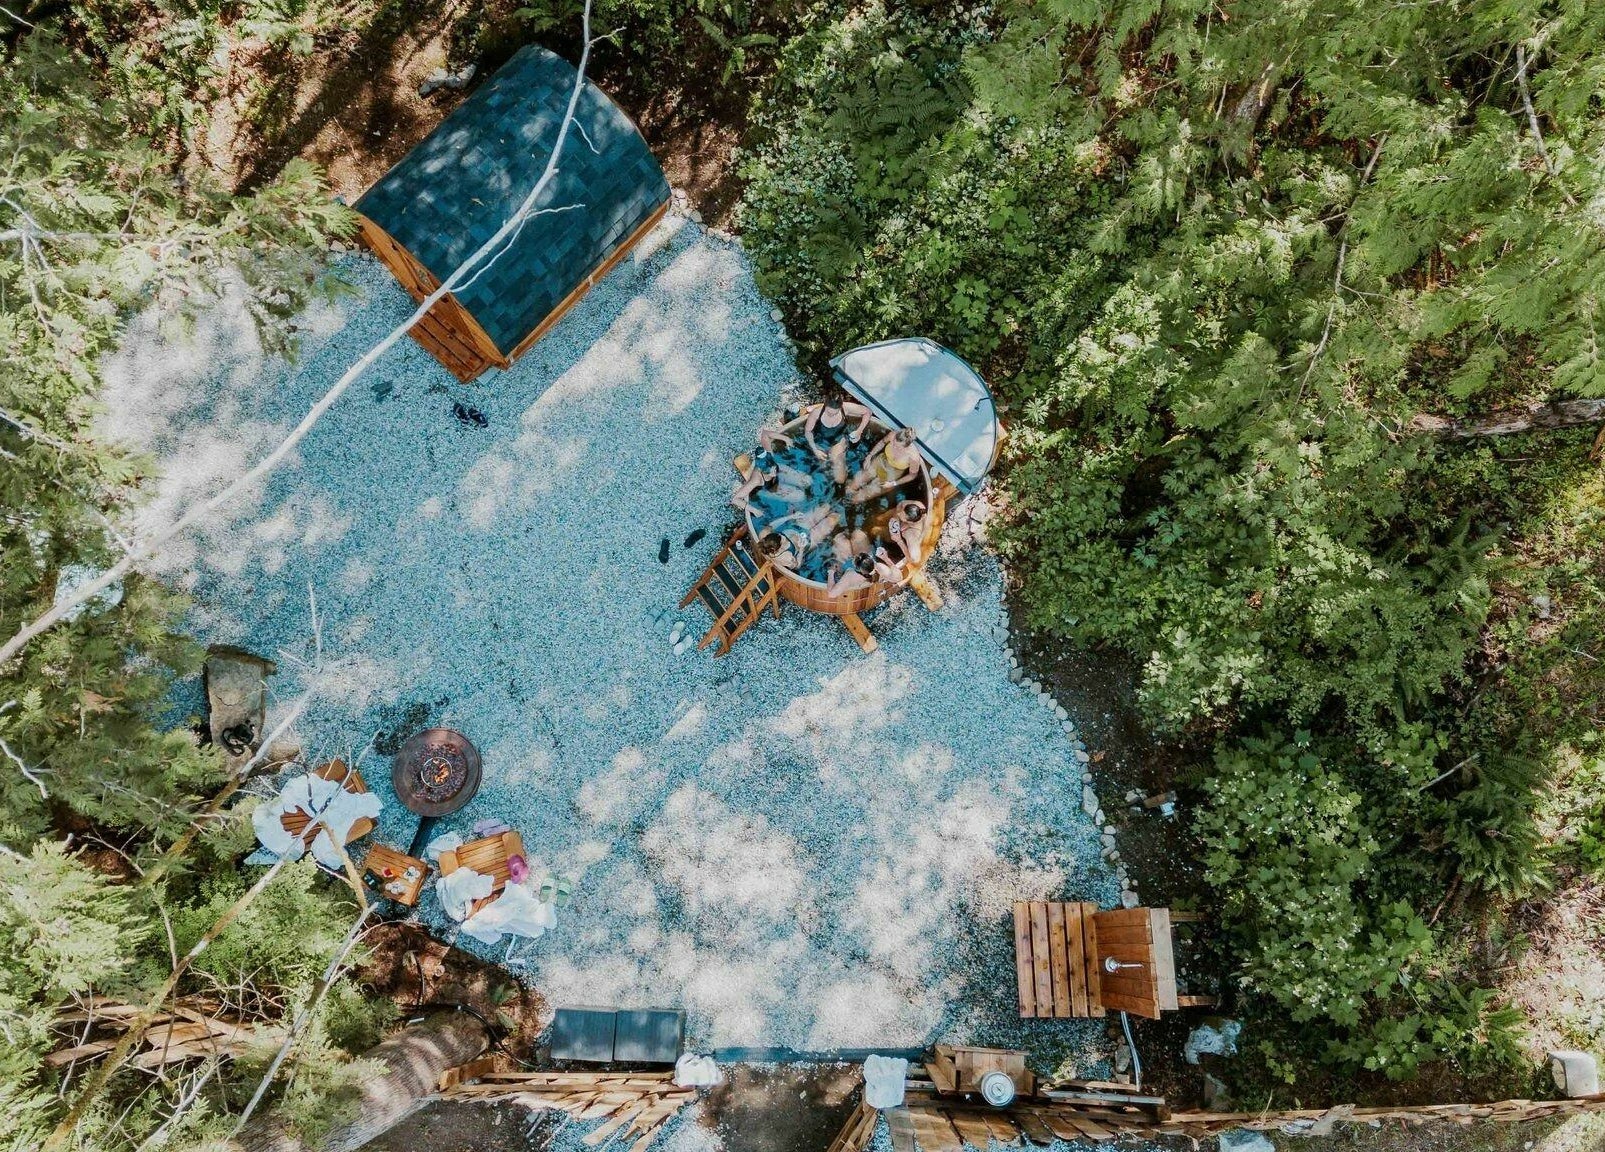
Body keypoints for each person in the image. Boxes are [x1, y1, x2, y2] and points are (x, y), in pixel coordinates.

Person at [804, 391, 872, 485]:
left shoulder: (846, 407)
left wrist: (859, 431)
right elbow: (807, 432)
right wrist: (815, 449)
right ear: (825, 405)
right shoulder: (816, 413)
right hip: (821, 441)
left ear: (840, 407)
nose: (831, 415)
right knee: (821, 473)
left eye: (835, 413)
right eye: (828, 412)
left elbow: (868, 412)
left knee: (840, 479)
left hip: (838, 440)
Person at [848, 426, 921, 504]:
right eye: (893, 443)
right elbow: (882, 442)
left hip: (894, 472)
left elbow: (912, 475)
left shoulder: (913, 456)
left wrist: (893, 483)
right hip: (882, 460)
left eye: (898, 447)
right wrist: (869, 456)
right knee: (851, 486)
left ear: (907, 446)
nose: (894, 447)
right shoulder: (892, 435)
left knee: (858, 498)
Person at [731, 450, 806, 513]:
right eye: (770, 472)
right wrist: (754, 510)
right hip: (766, 488)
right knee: (798, 496)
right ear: (762, 471)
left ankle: (793, 500)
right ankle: (791, 503)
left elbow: (766, 435)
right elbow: (735, 499)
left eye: (774, 469)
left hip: (774, 481)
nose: (774, 472)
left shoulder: (770, 460)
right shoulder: (756, 480)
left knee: (805, 485)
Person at [825, 545, 904, 598]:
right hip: (871, 591)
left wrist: (831, 572)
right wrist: (886, 558)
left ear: (857, 568)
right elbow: (899, 578)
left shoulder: (850, 576)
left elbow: (831, 594)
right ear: (871, 559)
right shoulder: (880, 567)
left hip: (853, 596)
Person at [885, 499, 928, 566]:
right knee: (880, 518)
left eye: (903, 517)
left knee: (875, 531)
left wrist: (899, 541)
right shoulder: (916, 505)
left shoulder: (912, 534)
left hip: (906, 533)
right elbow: (900, 504)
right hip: (899, 521)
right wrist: (896, 516)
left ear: (911, 522)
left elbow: (915, 560)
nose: (899, 514)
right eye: (902, 511)